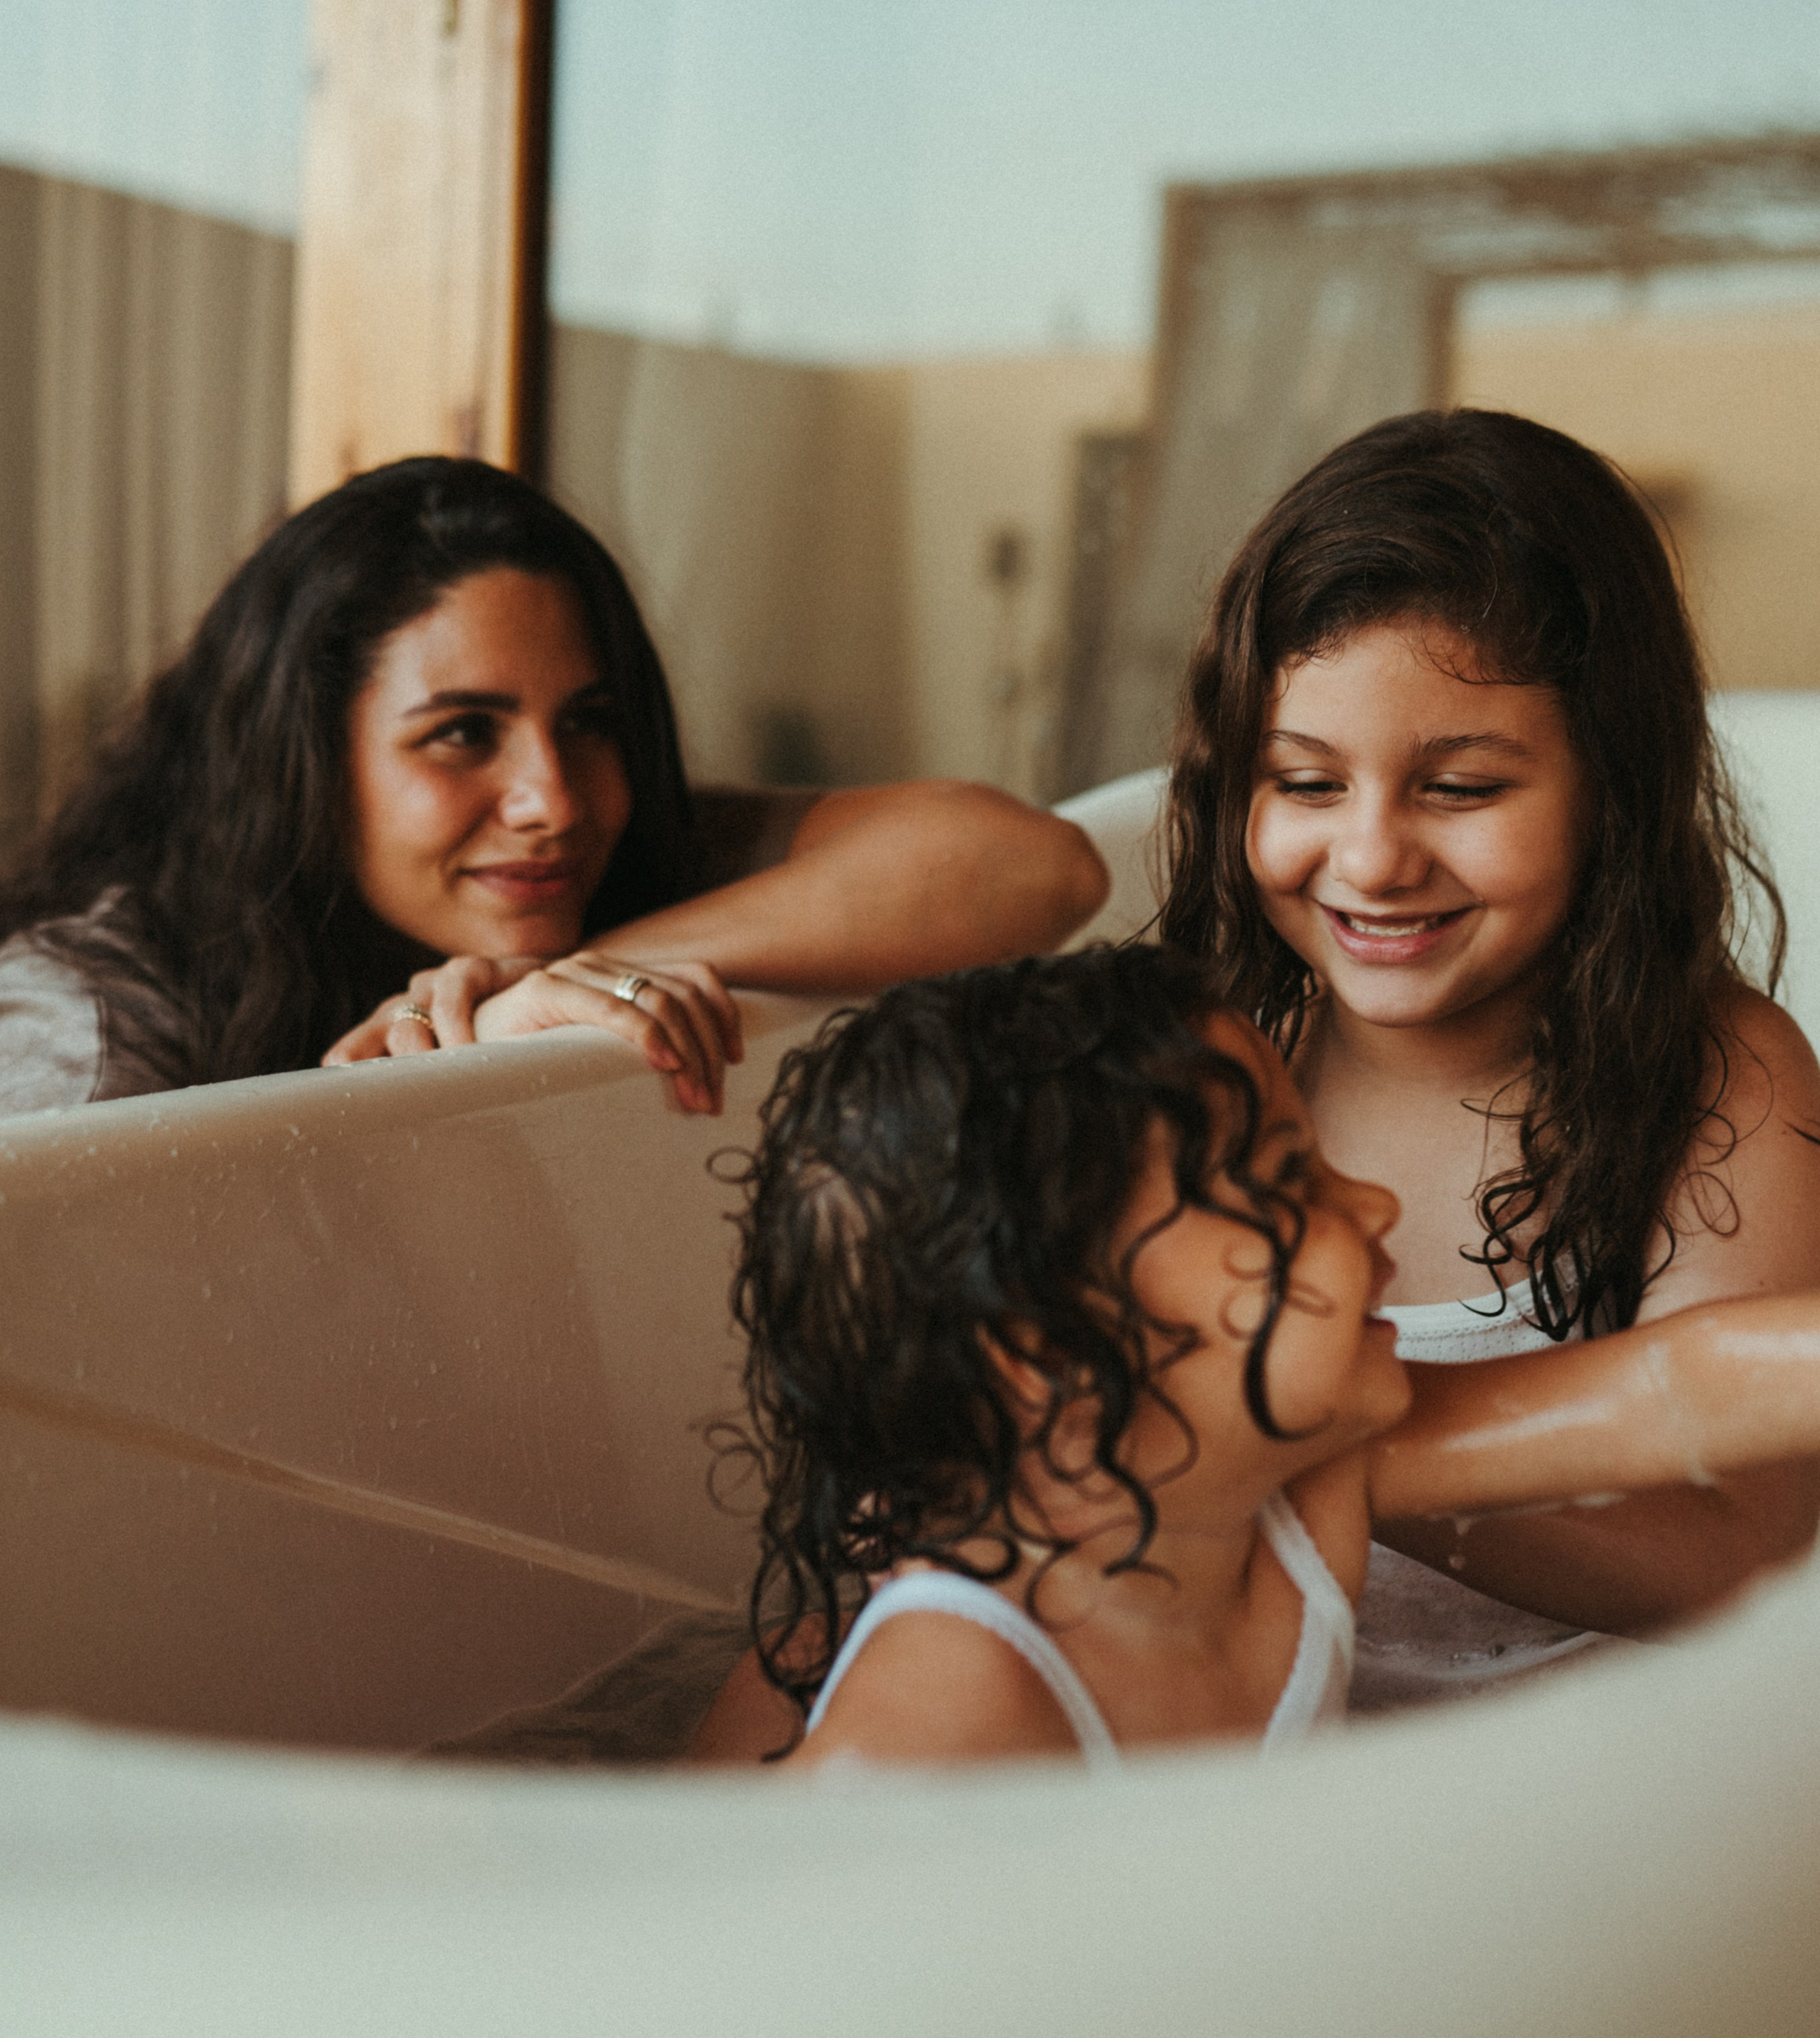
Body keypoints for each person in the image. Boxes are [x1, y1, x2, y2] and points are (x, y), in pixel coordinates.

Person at [722, 945, 1820, 1769]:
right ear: (1051, 1356)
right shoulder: (956, 1704)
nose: (1376, 1202)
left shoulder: (1301, 1493)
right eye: (1290, 1183)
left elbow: (1673, 1389)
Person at [1159, 407, 1820, 1705]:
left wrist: (1317, 1440)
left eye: (1460, 789)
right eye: (1304, 782)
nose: (1371, 858)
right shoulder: (1202, 1067)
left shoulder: (1713, 1082)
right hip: (1266, 1762)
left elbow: (1741, 1559)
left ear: (1613, 789)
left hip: (1580, 1770)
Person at [0, 457, 1106, 1115]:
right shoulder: (91, 1022)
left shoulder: (608, 862)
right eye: (462, 733)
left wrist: (584, 975)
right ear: (298, 766)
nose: (557, 800)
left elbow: (1038, 866)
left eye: (589, 722)